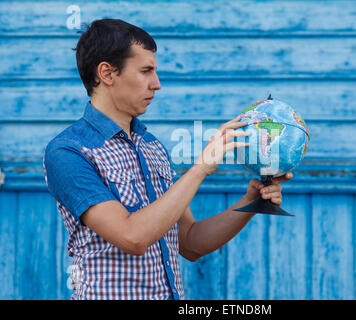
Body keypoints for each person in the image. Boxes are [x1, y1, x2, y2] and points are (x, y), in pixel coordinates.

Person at [43, 18, 293, 300]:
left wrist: (252, 201)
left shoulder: (151, 146)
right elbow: (132, 237)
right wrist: (200, 169)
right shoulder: (69, 151)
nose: (157, 84)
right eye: (146, 71)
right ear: (107, 73)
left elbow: (190, 243)